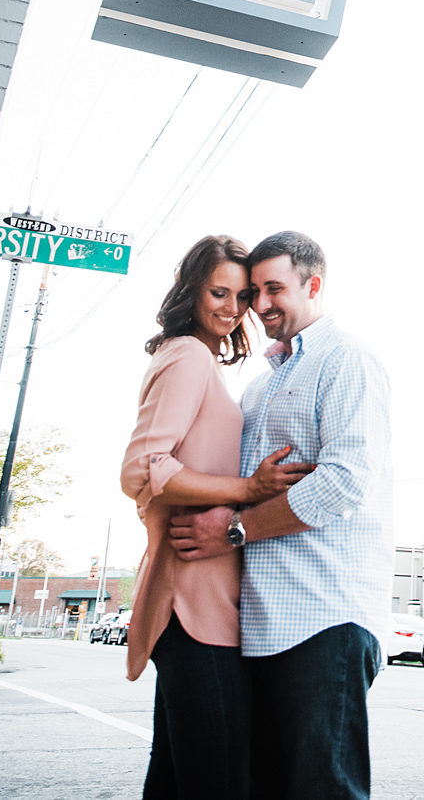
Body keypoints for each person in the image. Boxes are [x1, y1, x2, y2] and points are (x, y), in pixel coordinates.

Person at [169, 230, 393, 800]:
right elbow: (245, 487)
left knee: (323, 790)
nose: (260, 305)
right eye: (253, 292)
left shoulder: (348, 361)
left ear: (312, 285)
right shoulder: (259, 389)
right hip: (260, 627)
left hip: (325, 617)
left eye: (274, 289)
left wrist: (234, 531)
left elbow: (343, 483)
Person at [121, 234, 313, 800]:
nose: (233, 308)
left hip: (207, 605)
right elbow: (142, 468)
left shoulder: (203, 364)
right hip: (191, 604)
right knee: (221, 779)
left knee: (179, 778)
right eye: (219, 292)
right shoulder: (186, 356)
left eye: (243, 295)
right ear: (192, 291)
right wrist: (249, 488)